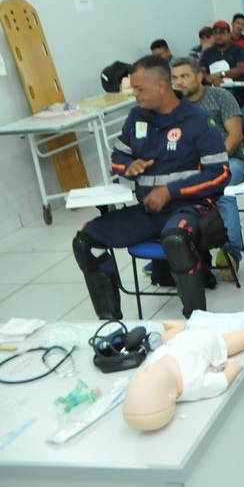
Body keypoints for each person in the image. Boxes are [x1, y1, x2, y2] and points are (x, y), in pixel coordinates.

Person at [72, 56, 231, 320]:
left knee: (176, 239)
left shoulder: (198, 120)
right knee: (86, 240)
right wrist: (129, 166)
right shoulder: (137, 117)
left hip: (190, 208)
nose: (133, 94)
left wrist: (171, 191)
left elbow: (220, 174)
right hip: (148, 210)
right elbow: (117, 157)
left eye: (139, 89)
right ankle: (110, 323)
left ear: (161, 85)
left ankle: (197, 321)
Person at [123, 314, 244, 431]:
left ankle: (178, 328)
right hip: (211, 342)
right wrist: (232, 369)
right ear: (174, 394)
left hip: (178, 340)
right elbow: (222, 382)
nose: (147, 370)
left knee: (166, 338)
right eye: (149, 377)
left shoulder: (150, 366)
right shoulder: (192, 384)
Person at [171, 57, 244, 280]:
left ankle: (230, 253)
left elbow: (235, 136)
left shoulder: (220, 96)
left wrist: (211, 164)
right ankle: (171, 250)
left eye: (184, 76)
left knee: (222, 192)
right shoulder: (173, 107)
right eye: (174, 78)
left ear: (199, 76)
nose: (179, 82)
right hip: (190, 166)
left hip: (228, 159)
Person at [199, 20, 244, 87]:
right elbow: (201, 71)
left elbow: (242, 69)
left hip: (236, 90)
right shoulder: (207, 52)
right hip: (213, 89)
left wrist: (221, 74)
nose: (218, 36)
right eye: (215, 33)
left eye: (222, 33)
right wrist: (209, 78)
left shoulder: (239, 50)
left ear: (229, 34)